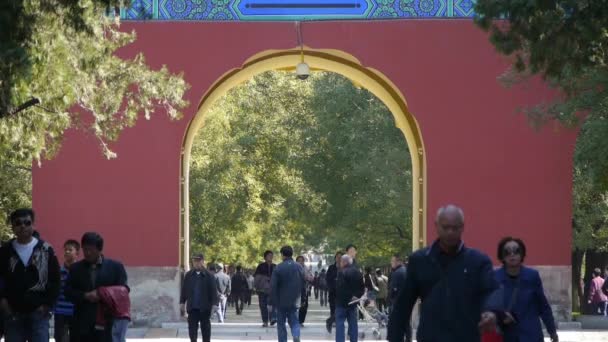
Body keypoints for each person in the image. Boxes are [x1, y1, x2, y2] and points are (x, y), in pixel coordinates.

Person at [387, 205, 500, 342]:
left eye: (455, 227)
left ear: (462, 227)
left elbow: (491, 292)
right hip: (431, 336)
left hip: (466, 336)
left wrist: (490, 311)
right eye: (445, 227)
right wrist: (395, 337)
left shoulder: (478, 261)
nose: (450, 232)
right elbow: (403, 305)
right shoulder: (420, 261)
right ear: (436, 226)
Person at [0, 208, 61, 342]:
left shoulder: (46, 250)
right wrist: (3, 301)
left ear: (33, 225)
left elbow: (56, 280)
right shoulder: (5, 251)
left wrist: (47, 304)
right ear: (13, 227)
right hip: (13, 312)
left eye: (27, 222)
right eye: (18, 223)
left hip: (39, 312)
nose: (23, 226)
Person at [67, 232, 129, 342]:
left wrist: (102, 294)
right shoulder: (75, 269)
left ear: (99, 250)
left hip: (107, 324)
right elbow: (68, 292)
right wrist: (85, 295)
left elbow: (124, 291)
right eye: (85, 249)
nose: (87, 253)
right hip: (81, 325)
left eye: (91, 249)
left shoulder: (115, 267)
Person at [494, 237, 558, 342]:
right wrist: (500, 315)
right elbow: (488, 306)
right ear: (502, 256)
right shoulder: (495, 278)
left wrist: (552, 331)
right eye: (507, 252)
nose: (512, 254)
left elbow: (543, 306)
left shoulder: (532, 276)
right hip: (506, 336)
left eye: (516, 251)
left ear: (522, 254)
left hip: (531, 335)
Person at [180, 253, 218, 342]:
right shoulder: (188, 275)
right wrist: (182, 302)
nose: (196, 263)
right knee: (192, 333)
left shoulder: (209, 276)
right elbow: (184, 289)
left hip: (205, 309)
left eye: (198, 261)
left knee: (206, 333)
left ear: (202, 261)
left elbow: (213, 291)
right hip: (193, 308)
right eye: (194, 261)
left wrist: (215, 304)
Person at [271, 246, 305, 342]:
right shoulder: (299, 267)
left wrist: (271, 301)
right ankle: (296, 335)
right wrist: (302, 296)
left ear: (282, 255)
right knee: (294, 321)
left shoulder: (278, 268)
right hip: (295, 299)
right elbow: (304, 282)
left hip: (281, 301)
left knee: (281, 324)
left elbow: (273, 286)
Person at [54, 239, 81, 342]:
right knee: (60, 338)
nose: (67, 252)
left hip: (76, 312)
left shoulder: (81, 272)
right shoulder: (58, 272)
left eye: (70, 250)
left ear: (77, 253)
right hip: (60, 312)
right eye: (65, 250)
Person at [335, 255, 364, 342]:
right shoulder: (358, 272)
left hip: (342, 303)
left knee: (340, 324)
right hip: (353, 303)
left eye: (341, 262)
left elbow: (341, 288)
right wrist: (356, 296)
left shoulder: (341, 272)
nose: (340, 264)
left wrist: (349, 297)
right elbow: (362, 287)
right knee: (353, 324)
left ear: (344, 262)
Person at [254, 250, 276, 327]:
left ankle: (272, 318)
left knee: (272, 305)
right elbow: (256, 278)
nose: (271, 257)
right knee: (263, 306)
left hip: (272, 290)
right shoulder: (260, 266)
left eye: (271, 255)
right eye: (269, 255)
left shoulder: (275, 266)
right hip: (262, 290)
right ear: (265, 257)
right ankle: (265, 321)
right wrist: (256, 287)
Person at [325, 251, 343, 333]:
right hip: (333, 292)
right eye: (337, 257)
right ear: (335, 258)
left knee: (341, 308)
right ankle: (334, 321)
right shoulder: (331, 267)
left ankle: (331, 320)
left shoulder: (345, 267)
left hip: (343, 292)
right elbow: (328, 279)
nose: (339, 259)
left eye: (340, 257)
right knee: (333, 308)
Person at [296, 255, 313, 326]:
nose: (300, 262)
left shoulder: (306, 269)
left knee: (304, 305)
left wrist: (307, 277)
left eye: (301, 261)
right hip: (294, 290)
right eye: (298, 261)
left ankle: (301, 321)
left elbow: (311, 278)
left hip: (304, 290)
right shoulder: (293, 269)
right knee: (295, 306)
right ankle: (295, 320)